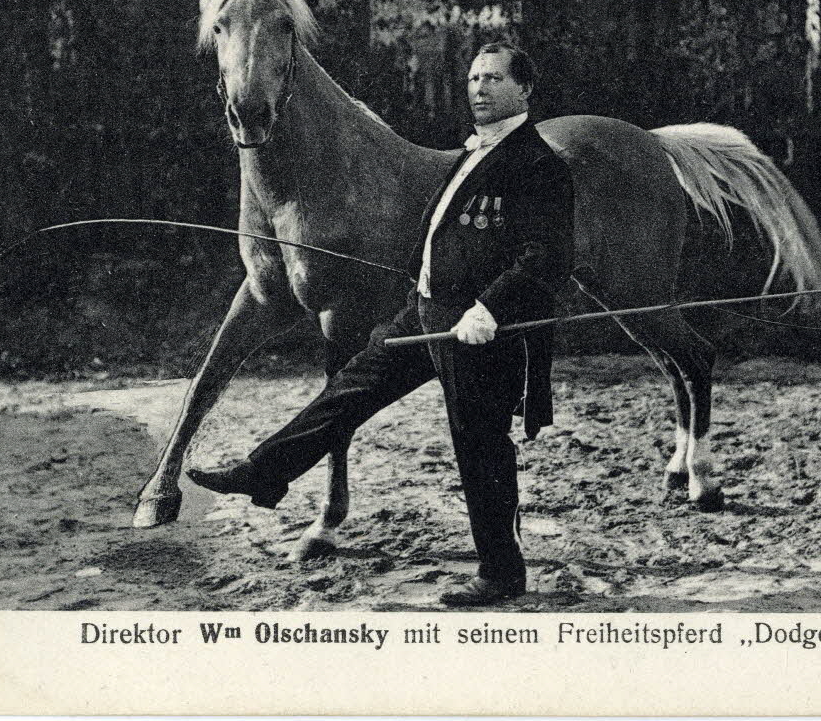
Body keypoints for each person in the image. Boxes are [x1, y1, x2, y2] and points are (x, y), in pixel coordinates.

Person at [187, 42, 574, 606]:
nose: (479, 89)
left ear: (525, 91)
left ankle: (501, 574)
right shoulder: (474, 152)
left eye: (493, 79)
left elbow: (546, 258)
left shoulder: (538, 164)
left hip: (475, 329)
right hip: (425, 312)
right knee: (348, 390)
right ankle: (266, 470)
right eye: (473, 78)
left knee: (480, 447)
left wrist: (489, 309)